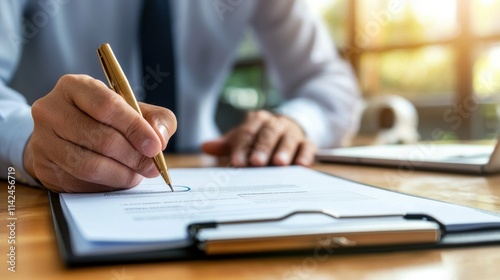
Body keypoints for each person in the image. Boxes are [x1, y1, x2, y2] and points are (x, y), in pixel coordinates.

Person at [0, 0, 361, 193]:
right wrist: (28, 141)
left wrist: (295, 122)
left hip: (210, 170)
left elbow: (328, 80)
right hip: (48, 190)